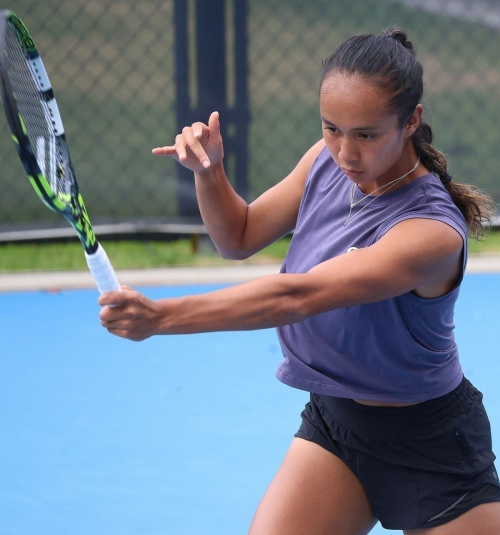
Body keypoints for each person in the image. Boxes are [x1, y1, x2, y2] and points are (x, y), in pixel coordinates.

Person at [99, 26, 500, 533]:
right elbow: (239, 236)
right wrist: (209, 172)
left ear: (411, 121)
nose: (345, 152)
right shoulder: (326, 162)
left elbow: (299, 294)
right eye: (332, 128)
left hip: (432, 446)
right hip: (339, 427)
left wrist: (161, 317)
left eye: (366, 134)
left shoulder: (430, 233)